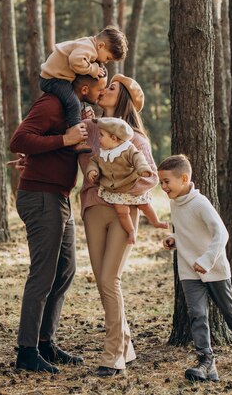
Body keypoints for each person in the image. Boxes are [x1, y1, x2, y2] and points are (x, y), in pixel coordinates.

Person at [9, 71, 108, 374]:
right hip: (40, 196)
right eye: (100, 88)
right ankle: (27, 352)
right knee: (43, 274)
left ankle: (44, 342)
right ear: (86, 87)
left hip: (59, 196)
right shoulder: (51, 104)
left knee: (65, 271)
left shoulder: (73, 110)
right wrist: (65, 138)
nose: (102, 94)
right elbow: (19, 139)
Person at [77, 73, 160, 377]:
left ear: (123, 97)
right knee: (102, 281)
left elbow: (149, 177)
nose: (104, 90)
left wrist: (120, 192)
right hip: (91, 209)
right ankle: (126, 344)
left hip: (122, 212)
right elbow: (80, 160)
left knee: (111, 279)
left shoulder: (135, 139)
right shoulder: (92, 128)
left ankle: (113, 355)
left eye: (111, 88)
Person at [158, 154, 232, 382]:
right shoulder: (175, 203)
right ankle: (206, 362)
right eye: (161, 182)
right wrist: (173, 237)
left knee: (229, 311)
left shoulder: (200, 203)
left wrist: (206, 260)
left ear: (184, 178)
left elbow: (221, 233)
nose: (163, 187)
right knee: (197, 315)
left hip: (213, 268)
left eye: (166, 182)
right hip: (188, 269)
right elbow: (187, 231)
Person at [40, 26, 128, 154]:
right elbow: (75, 61)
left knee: (77, 100)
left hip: (58, 78)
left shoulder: (88, 44)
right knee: (74, 102)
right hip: (52, 79)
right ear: (101, 46)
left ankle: (76, 126)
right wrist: (93, 69)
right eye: (108, 58)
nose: (106, 62)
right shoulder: (88, 48)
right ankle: (76, 140)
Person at [86, 117, 168, 244]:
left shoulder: (128, 149)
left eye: (101, 135)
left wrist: (143, 169)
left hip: (130, 185)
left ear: (114, 138)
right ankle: (131, 232)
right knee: (122, 211)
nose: (98, 138)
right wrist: (92, 171)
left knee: (145, 205)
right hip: (115, 190)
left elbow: (138, 158)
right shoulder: (102, 153)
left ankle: (155, 222)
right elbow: (93, 162)